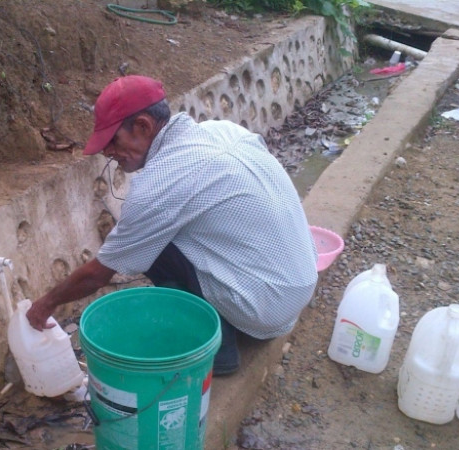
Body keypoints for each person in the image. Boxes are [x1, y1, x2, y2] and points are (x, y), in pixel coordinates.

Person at [26, 75, 318, 375]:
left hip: (265, 308)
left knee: (149, 242)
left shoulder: (160, 185)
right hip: (301, 283)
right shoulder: (223, 130)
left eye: (113, 141)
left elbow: (100, 272)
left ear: (143, 126)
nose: (108, 153)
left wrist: (45, 304)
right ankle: (223, 318)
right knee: (159, 232)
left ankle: (216, 349)